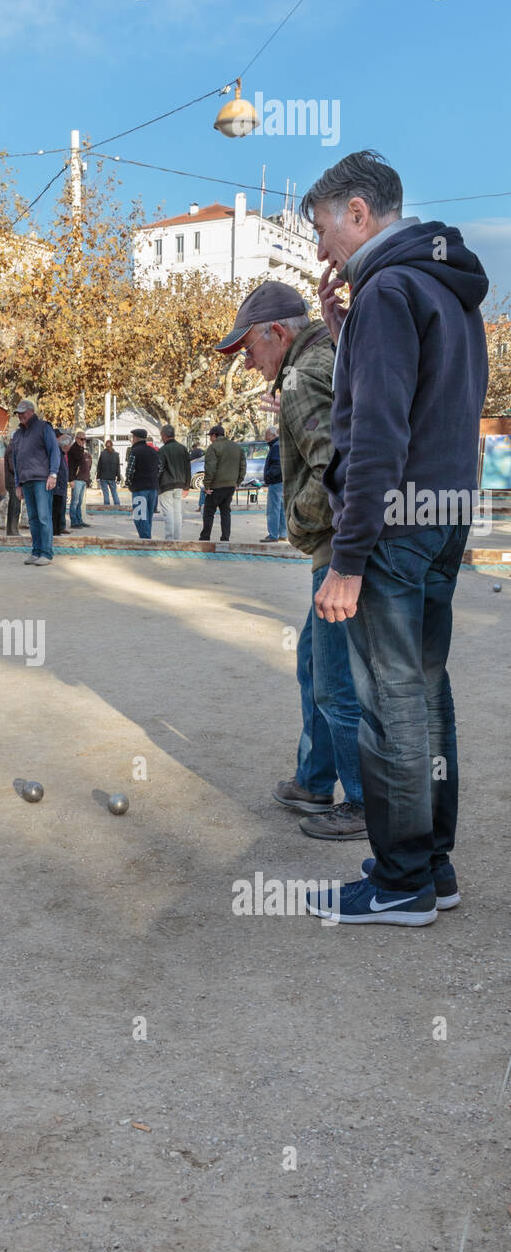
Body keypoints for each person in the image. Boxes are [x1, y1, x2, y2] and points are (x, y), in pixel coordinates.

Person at [295, 150, 489, 924]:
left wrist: (347, 559)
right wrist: (347, 335)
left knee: (391, 705)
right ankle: (431, 867)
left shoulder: (389, 291)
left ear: (358, 213)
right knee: (427, 693)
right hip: (444, 514)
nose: (319, 250)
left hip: (395, 524)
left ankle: (401, 879)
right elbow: (425, 398)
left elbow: (376, 433)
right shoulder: (442, 285)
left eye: (321, 228)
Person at [217, 277, 366, 842]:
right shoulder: (323, 358)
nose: (250, 364)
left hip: (336, 548)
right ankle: (314, 778)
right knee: (314, 660)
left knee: (333, 678)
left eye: (251, 349)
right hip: (342, 545)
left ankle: (358, 800)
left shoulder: (303, 374)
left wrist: (300, 523)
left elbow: (338, 469)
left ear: (278, 332)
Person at [7, 399, 61, 565]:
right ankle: (36, 551)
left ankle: (46, 553)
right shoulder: (17, 434)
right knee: (33, 518)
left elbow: (54, 451)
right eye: (18, 413)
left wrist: (53, 474)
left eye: (23, 412)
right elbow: (15, 460)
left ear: (32, 411)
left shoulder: (44, 427)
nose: (21, 416)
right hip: (25, 480)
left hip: (42, 479)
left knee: (44, 517)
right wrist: (17, 483)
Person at [199, 425, 245, 542]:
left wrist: (207, 486)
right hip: (230, 485)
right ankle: (225, 537)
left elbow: (210, 468)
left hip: (216, 486)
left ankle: (205, 537)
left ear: (214, 435)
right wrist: (237, 482)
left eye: (210, 436)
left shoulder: (213, 447)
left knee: (209, 512)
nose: (210, 439)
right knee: (225, 512)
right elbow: (242, 467)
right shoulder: (237, 447)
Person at [157, 424, 191, 540]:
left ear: (164, 435)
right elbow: (188, 468)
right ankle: (177, 538)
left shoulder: (163, 450)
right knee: (177, 513)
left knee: (168, 514)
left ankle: (169, 539)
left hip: (166, 485)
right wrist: (187, 486)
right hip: (180, 484)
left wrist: (156, 483)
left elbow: (159, 469)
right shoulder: (183, 449)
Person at [126, 428, 159, 539]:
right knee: (148, 517)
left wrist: (129, 483)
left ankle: (146, 540)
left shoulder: (134, 451)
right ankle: (147, 538)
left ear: (135, 438)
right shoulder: (154, 451)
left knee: (139, 517)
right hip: (153, 488)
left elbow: (129, 471)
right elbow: (160, 468)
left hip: (140, 489)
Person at [261, 425, 285, 542]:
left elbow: (277, 466)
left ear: (273, 435)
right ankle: (283, 533)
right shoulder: (280, 445)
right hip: (281, 481)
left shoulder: (275, 447)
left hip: (276, 482)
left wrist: (268, 476)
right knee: (281, 508)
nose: (265, 438)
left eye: (266, 435)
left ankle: (273, 534)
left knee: (273, 509)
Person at [68, 429, 92, 527]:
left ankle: (79, 520)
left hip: (83, 479)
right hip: (76, 479)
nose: (83, 441)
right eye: (82, 439)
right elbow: (70, 466)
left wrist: (87, 479)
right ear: (76, 438)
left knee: (80, 502)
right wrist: (71, 479)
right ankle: (74, 522)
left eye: (85, 439)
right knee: (75, 501)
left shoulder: (81, 449)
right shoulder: (73, 449)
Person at [97, 438, 121, 506]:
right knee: (114, 492)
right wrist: (118, 478)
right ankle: (117, 504)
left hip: (103, 477)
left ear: (105, 445)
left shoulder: (102, 454)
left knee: (105, 493)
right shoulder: (116, 455)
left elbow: (99, 466)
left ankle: (106, 506)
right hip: (112, 477)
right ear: (112, 445)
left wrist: (98, 477)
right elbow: (117, 467)